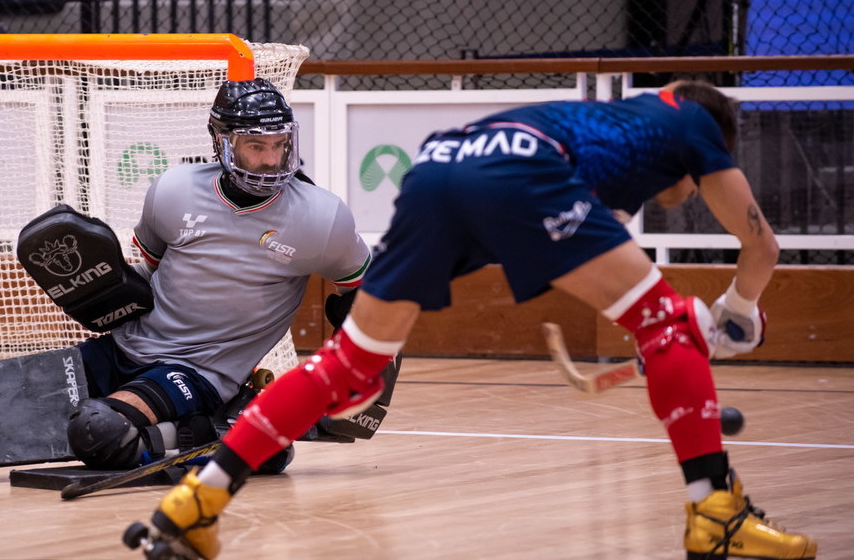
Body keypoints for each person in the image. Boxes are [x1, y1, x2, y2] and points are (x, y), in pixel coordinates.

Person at [135, 81, 817, 560]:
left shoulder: (616, 131)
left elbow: (600, 254)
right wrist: (734, 314)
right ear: (711, 145)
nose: (688, 193)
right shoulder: (694, 123)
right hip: (516, 172)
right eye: (698, 180)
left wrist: (678, 340)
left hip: (441, 165)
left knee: (351, 367)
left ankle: (199, 503)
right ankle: (717, 516)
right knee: (665, 324)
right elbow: (761, 246)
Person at [0, 78, 371, 484]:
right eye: (255, 146)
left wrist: (352, 385)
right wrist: (110, 295)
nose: (270, 161)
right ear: (221, 142)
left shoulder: (322, 218)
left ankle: (219, 424)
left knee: (97, 432)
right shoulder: (173, 192)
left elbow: (359, 293)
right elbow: (148, 267)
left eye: (279, 146)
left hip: (201, 372)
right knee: (7, 397)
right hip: (130, 346)